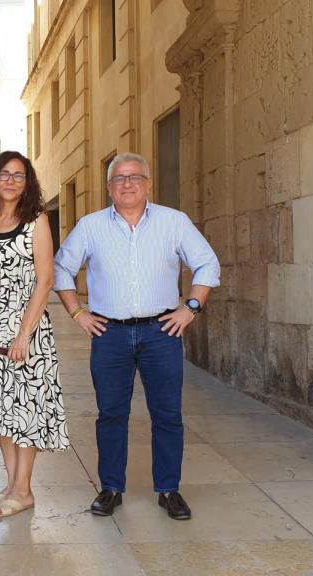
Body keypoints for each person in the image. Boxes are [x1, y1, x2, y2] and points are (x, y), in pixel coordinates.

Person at [53, 152, 220, 519]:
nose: (127, 184)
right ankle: (111, 488)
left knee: (167, 415)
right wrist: (77, 313)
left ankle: (169, 489)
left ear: (148, 184)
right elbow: (61, 268)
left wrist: (190, 307)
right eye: (119, 179)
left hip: (161, 332)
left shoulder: (174, 222)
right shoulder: (91, 226)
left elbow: (207, 263)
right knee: (111, 414)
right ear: (109, 187)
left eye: (134, 177)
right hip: (110, 334)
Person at [0, 151, 70, 518]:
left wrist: (24, 334)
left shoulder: (37, 221)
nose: (10, 181)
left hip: (25, 334)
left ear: (28, 182)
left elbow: (45, 280)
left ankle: (24, 489)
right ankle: (11, 484)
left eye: (19, 175)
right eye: (4, 174)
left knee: (26, 410)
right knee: (1, 410)